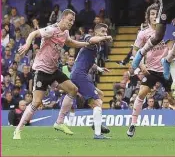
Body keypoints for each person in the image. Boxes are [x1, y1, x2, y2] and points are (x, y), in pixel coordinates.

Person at [13, 10, 89, 140]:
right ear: (63, 18)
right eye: (69, 20)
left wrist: (87, 44)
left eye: (73, 21)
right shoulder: (52, 29)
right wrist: (27, 45)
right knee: (36, 102)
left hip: (53, 70)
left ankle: (59, 122)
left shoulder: (65, 32)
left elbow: (70, 42)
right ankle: (18, 129)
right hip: (41, 70)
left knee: (73, 90)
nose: (71, 23)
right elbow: (33, 33)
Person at [127, 4, 175, 139]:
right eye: (151, 14)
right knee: (142, 93)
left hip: (166, 69)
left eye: (156, 14)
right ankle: (133, 124)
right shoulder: (143, 33)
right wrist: (141, 65)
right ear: (148, 17)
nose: (153, 16)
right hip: (150, 69)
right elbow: (135, 50)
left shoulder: (167, 30)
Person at [65, 23, 112, 139]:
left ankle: (97, 123)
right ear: (96, 32)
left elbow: (89, 62)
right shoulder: (89, 38)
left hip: (78, 74)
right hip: (80, 75)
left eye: (106, 32)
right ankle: (97, 133)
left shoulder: (96, 47)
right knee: (97, 102)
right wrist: (105, 37)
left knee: (100, 95)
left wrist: (100, 68)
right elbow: (91, 39)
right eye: (102, 31)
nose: (105, 34)